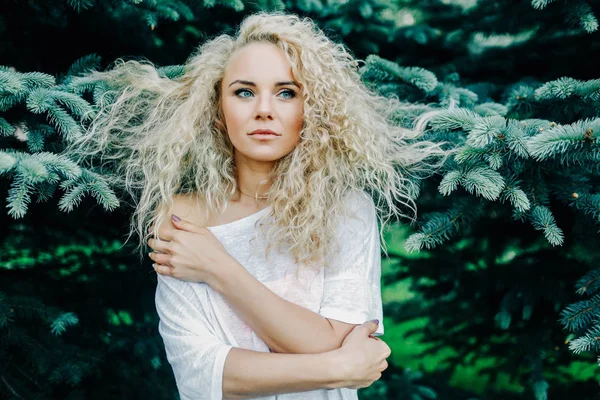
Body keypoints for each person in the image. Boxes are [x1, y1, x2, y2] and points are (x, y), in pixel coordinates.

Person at [65, 11, 449, 400]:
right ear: (218, 112)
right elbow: (204, 375)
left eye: (286, 92)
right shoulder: (182, 220)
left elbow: (331, 341)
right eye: (244, 92)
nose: (264, 110)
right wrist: (338, 367)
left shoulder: (346, 210)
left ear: (312, 111)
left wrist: (218, 267)